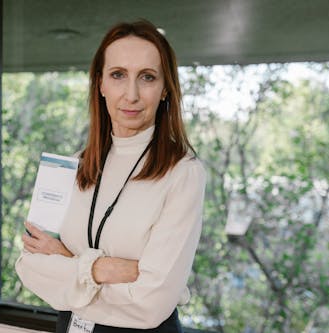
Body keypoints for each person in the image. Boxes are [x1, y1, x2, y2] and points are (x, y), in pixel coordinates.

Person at [15, 19, 206, 333]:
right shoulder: (72, 166)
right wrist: (103, 268)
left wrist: (67, 264)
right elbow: (29, 267)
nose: (131, 94)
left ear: (164, 89)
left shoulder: (184, 173)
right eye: (118, 75)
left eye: (147, 77)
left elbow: (150, 305)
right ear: (100, 84)